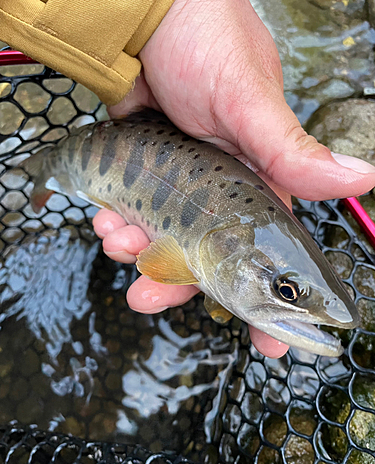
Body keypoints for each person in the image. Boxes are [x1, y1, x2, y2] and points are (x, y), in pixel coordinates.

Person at [2, 0, 375, 358]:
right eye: (288, 291)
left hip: (130, 138)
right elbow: (159, 264)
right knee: (73, 192)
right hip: (101, 149)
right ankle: (43, 173)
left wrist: (168, 12)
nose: (288, 294)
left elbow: (158, 263)